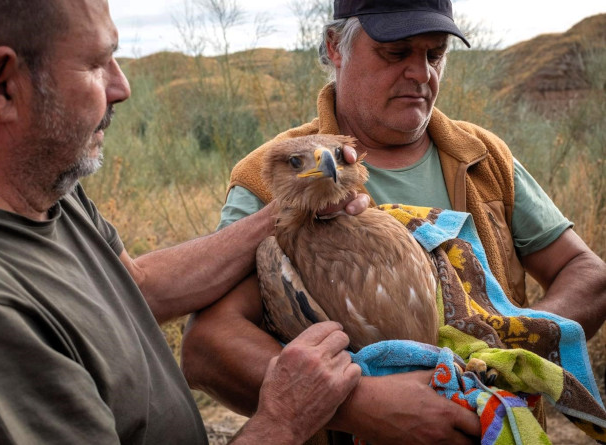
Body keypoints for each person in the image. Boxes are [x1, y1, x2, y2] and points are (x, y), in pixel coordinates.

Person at [0, 0, 367, 443]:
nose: (121, 87)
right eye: (96, 63)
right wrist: (281, 423)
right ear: (4, 85)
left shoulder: (39, 187)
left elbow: (137, 286)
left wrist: (290, 208)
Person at [181, 0, 606, 443]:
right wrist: (361, 404)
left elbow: (587, 274)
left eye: (434, 54)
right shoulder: (273, 175)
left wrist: (502, 358)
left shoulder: (483, 157)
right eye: (396, 52)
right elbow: (207, 345)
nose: (421, 73)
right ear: (334, 46)